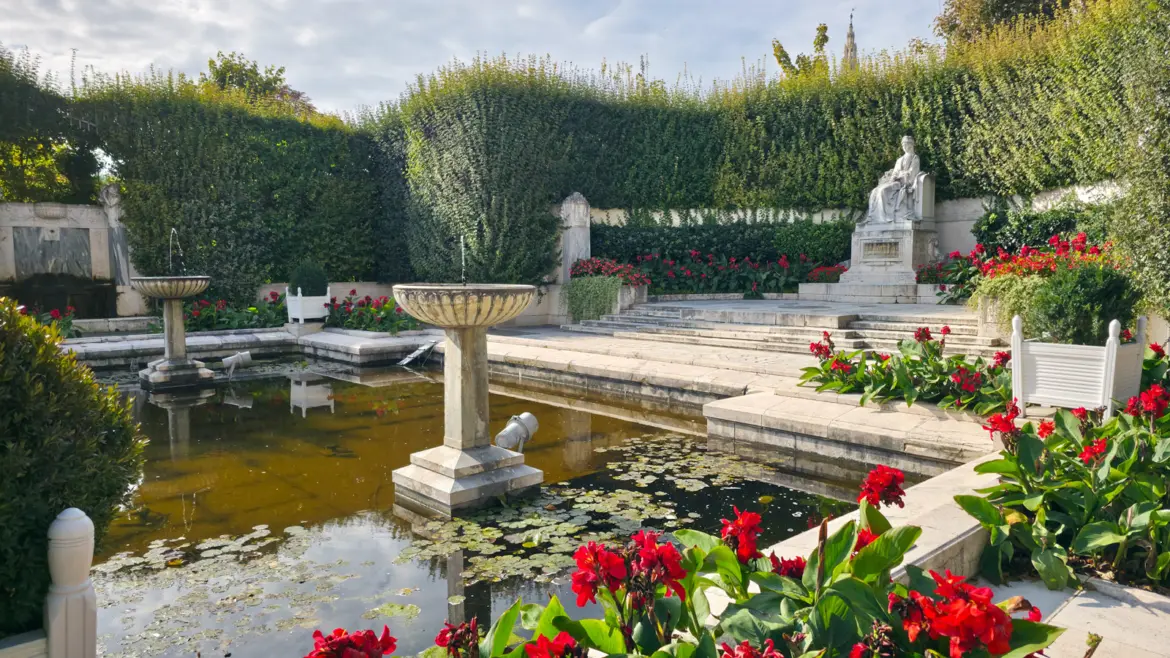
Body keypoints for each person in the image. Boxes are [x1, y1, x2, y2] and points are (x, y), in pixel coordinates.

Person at [864, 135, 921, 224]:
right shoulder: (899, 159)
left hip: (903, 183)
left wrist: (901, 176)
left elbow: (912, 173)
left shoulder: (915, 158)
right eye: (903, 144)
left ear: (911, 145)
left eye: (906, 144)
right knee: (874, 191)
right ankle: (873, 217)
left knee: (883, 191)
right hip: (895, 181)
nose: (904, 147)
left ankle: (884, 217)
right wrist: (894, 176)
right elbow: (895, 172)